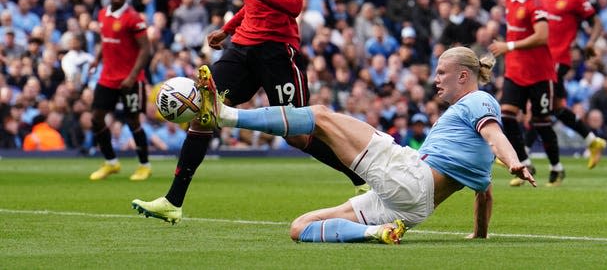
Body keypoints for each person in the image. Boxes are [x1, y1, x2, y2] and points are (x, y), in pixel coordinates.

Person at [132, 0, 366, 220]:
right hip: (241, 48)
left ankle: (361, 179)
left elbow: (293, 4)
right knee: (204, 110)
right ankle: (173, 202)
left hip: (276, 51)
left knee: (299, 135)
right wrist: (226, 30)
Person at [133, 47, 536, 243]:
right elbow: (484, 191)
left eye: (443, 73)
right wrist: (479, 235)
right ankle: (377, 233)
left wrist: (515, 161)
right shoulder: (470, 128)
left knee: (321, 114)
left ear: (465, 76)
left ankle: (223, 115)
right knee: (299, 229)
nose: (436, 80)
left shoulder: (479, 101)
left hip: (411, 177)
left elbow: (495, 135)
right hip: (412, 209)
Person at [488, 0, 563, 187]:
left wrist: (508, 47)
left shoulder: (537, 2)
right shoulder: (509, 0)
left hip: (540, 73)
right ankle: (524, 162)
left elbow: (542, 36)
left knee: (541, 122)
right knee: (507, 116)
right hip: (515, 71)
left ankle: (556, 167)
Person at [534, 0, 607, 168]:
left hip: (559, 60)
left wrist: (591, 43)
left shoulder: (576, 0)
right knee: (555, 108)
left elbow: (597, 23)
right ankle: (593, 141)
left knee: (540, 106)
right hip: (541, 59)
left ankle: (523, 155)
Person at [88, 0, 152, 181]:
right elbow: (104, 40)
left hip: (130, 79)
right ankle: (111, 162)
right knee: (96, 118)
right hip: (107, 77)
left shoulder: (133, 18)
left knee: (133, 121)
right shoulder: (101, 14)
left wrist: (133, 76)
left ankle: (144, 165)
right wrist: (96, 59)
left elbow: (145, 49)